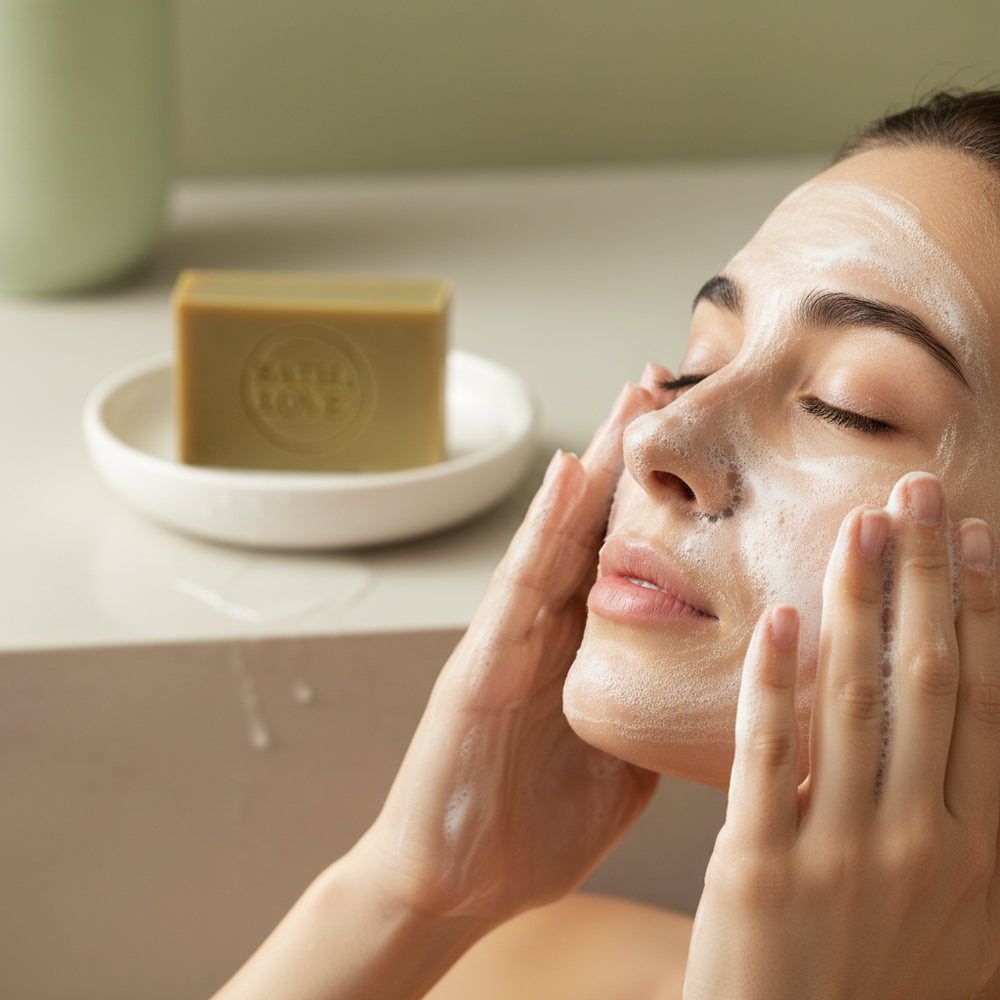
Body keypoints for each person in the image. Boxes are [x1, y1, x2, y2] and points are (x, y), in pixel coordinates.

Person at [211, 90, 1000, 1000]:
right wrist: (410, 894)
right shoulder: (518, 964)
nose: (654, 441)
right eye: (695, 365)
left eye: (850, 406)